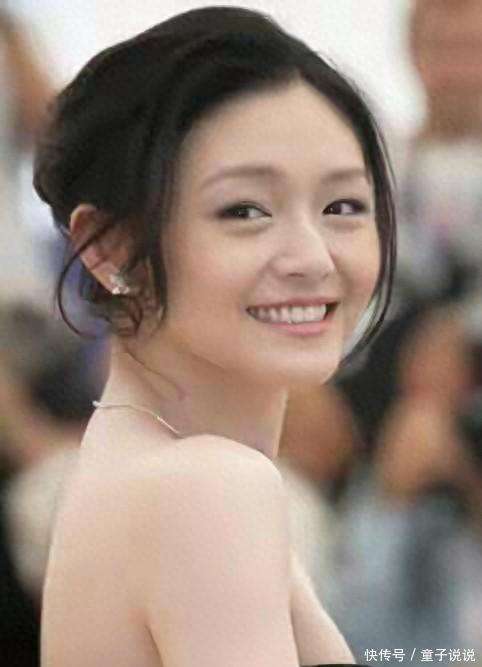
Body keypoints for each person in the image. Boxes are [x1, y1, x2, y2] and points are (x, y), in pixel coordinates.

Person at [33, 6, 396, 666]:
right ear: (108, 246)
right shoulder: (209, 490)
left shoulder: (154, 469)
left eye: (342, 205)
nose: (313, 257)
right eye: (244, 210)